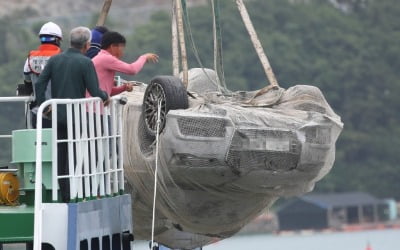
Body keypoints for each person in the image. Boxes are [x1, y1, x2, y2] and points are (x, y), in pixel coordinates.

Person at [35, 26, 109, 202]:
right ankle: (76, 194)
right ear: (87, 44)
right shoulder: (85, 62)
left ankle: (65, 195)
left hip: (57, 116)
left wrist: (44, 107)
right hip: (76, 117)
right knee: (75, 155)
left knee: (61, 153)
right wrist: (105, 96)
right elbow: (94, 90)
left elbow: (40, 85)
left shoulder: (55, 60)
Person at [88, 31, 158, 99]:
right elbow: (132, 70)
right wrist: (144, 57)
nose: (122, 51)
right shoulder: (106, 58)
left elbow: (109, 91)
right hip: (93, 107)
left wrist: (123, 88)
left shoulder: (102, 57)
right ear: (113, 46)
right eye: (122, 47)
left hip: (94, 105)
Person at [19, 21, 63, 128]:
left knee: (41, 144)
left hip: (38, 113)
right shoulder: (62, 58)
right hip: (59, 113)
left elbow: (27, 82)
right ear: (57, 40)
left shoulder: (30, 58)